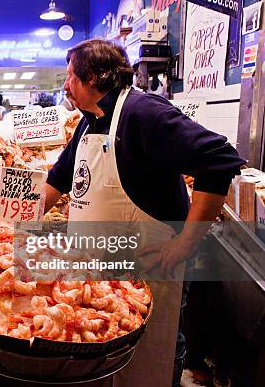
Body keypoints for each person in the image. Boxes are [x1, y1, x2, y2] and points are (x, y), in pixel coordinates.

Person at [43, 39, 245, 387]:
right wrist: (9, 224)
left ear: (94, 78)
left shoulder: (144, 113)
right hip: (99, 275)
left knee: (155, 352)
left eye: (70, 76)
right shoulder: (88, 122)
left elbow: (220, 160)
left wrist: (184, 244)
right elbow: (58, 180)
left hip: (148, 271)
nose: (65, 85)